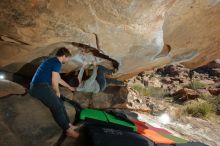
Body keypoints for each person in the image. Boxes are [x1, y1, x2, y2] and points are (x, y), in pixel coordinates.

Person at [29, 47, 79, 138]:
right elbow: (54, 80)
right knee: (56, 106)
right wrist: (57, 91)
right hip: (38, 87)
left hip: (40, 86)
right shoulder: (57, 63)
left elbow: (58, 79)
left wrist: (69, 87)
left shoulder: (53, 61)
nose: (68, 60)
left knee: (60, 103)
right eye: (68, 58)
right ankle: (68, 130)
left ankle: (69, 124)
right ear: (64, 56)